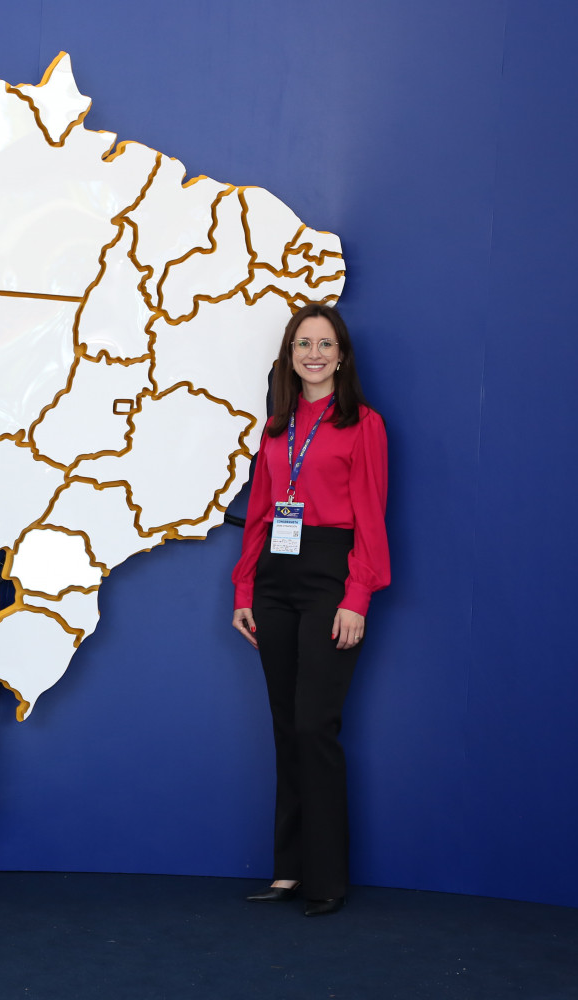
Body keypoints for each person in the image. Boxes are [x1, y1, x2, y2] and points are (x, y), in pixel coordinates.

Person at [231, 303, 389, 917]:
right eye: (303, 344)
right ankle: (289, 870)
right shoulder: (277, 428)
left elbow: (371, 516)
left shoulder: (364, 425)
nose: (314, 354)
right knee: (284, 725)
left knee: (313, 726)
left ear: (341, 356)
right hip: (275, 577)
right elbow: (261, 513)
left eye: (325, 344)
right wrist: (244, 590)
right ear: (289, 355)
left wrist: (357, 596)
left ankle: (327, 878)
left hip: (331, 575)